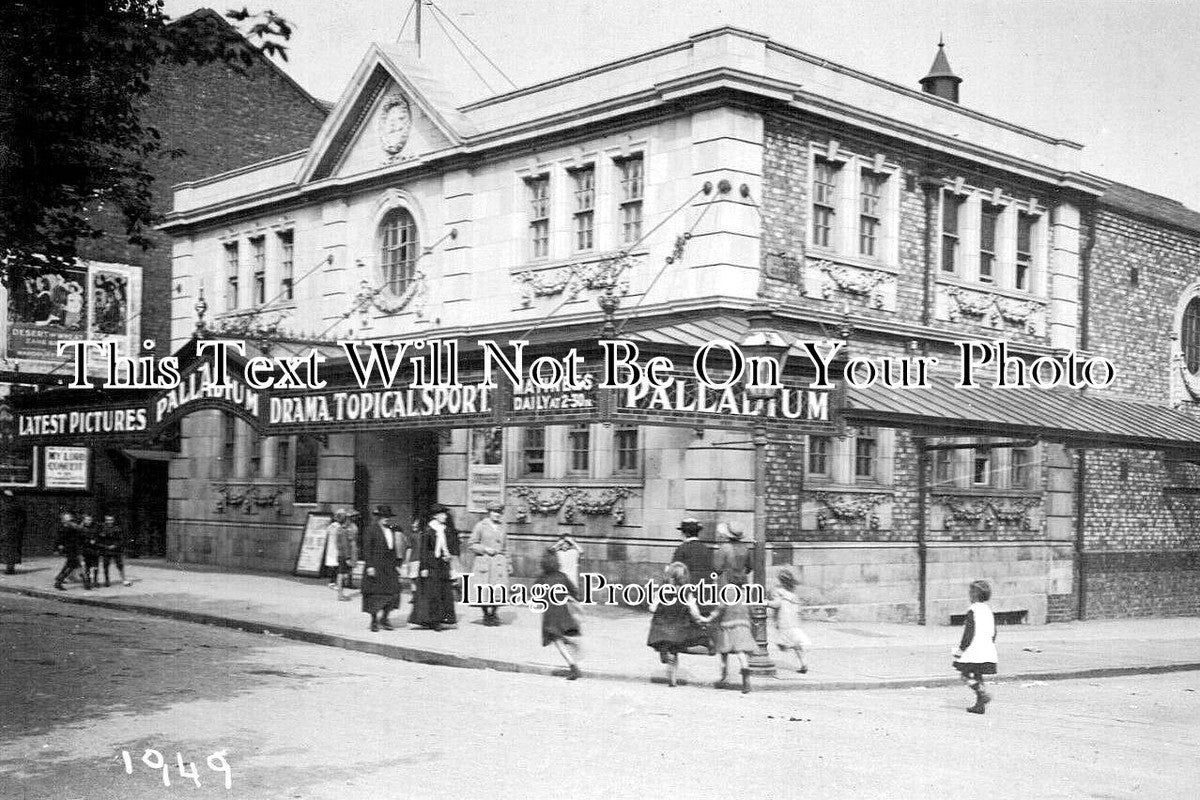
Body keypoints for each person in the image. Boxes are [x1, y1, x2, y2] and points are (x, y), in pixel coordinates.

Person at [646, 561, 711, 688]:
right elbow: (695, 612)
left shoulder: (661, 591)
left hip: (661, 627)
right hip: (679, 628)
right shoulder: (687, 593)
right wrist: (700, 619)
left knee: (665, 644)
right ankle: (673, 679)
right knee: (675, 648)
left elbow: (652, 608)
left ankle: (665, 654)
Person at [408, 504, 459, 631]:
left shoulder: (445, 529)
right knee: (432, 593)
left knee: (443, 592)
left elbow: (449, 546)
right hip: (430, 565)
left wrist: (447, 555)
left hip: (443, 564)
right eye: (442, 514)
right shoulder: (428, 530)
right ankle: (432, 620)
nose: (445, 516)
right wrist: (424, 567)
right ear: (435, 516)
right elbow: (424, 550)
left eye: (445, 514)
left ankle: (441, 618)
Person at [704, 572, 756, 693]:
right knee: (741, 653)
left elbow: (720, 608)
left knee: (724, 652)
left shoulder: (727, 593)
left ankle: (723, 676)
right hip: (743, 626)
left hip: (727, 626)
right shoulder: (746, 594)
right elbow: (752, 609)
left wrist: (709, 618)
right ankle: (746, 678)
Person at [953, 579, 998, 715]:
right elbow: (994, 631)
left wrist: (961, 649)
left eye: (970, 593)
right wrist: (989, 643)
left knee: (965, 675)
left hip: (973, 649)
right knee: (978, 675)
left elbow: (969, 633)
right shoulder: (988, 610)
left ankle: (980, 692)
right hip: (987, 648)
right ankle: (979, 705)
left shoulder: (973, 610)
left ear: (974, 595)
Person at [537, 549, 582, 680]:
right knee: (557, 637)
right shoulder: (563, 576)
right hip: (563, 612)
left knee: (556, 640)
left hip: (550, 615)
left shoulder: (542, 579)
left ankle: (573, 667)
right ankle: (570, 645)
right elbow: (574, 591)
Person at [360, 505, 403, 632]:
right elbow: (367, 549)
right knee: (375, 594)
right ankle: (374, 620)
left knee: (393, 593)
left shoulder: (391, 530)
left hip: (389, 567)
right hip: (376, 565)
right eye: (383, 517)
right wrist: (370, 566)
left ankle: (385, 618)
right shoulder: (371, 530)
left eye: (388, 517)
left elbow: (393, 549)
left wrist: (397, 565)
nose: (386, 519)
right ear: (378, 517)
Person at [467, 500, 510, 626]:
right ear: (489, 512)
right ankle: (486, 614)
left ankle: (494, 613)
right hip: (484, 563)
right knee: (484, 591)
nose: (497, 514)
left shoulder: (503, 527)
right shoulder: (481, 525)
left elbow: (506, 546)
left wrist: (509, 562)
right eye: (494, 512)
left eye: (499, 512)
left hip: (499, 563)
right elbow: (471, 544)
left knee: (499, 590)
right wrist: (485, 549)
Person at [767, 568, 810, 673]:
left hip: (784, 622)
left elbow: (776, 604)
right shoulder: (793, 594)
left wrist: (765, 602)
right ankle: (804, 664)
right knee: (796, 644)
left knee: (784, 644)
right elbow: (798, 610)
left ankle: (788, 646)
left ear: (780, 581)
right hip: (795, 623)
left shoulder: (778, 592)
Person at [326, 509, 358, 602]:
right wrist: (348, 557)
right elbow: (345, 544)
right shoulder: (346, 529)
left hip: (342, 554)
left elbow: (339, 544)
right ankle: (340, 594)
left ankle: (341, 593)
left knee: (342, 574)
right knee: (342, 574)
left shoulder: (341, 528)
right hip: (345, 554)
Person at [97, 514, 131, 587]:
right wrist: (105, 546)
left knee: (120, 565)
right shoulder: (102, 529)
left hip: (116, 550)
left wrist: (115, 546)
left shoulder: (117, 529)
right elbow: (99, 540)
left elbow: (121, 540)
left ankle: (124, 579)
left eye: (111, 520)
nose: (109, 522)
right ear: (105, 520)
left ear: (113, 520)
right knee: (105, 566)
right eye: (108, 520)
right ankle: (107, 580)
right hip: (106, 549)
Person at [52, 512, 82, 590]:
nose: (69, 519)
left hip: (74, 548)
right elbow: (58, 539)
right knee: (71, 565)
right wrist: (56, 548)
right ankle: (58, 582)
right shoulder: (64, 528)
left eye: (70, 517)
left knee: (70, 565)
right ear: (64, 520)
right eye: (67, 518)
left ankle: (59, 578)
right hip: (69, 549)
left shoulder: (71, 526)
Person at [0, 489, 26, 575]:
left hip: (7, 530)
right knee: (11, 550)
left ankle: (10, 568)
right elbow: (23, 519)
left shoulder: (4, 505)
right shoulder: (18, 505)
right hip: (13, 531)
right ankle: (10, 568)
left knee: (8, 550)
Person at [79, 514, 100, 590]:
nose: (88, 521)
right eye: (87, 519)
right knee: (86, 567)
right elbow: (79, 540)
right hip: (85, 551)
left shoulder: (95, 527)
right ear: (84, 520)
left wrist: (95, 541)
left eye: (90, 520)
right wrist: (89, 541)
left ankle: (95, 581)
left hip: (94, 550)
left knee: (95, 567)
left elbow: (98, 537)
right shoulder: (81, 528)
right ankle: (87, 583)